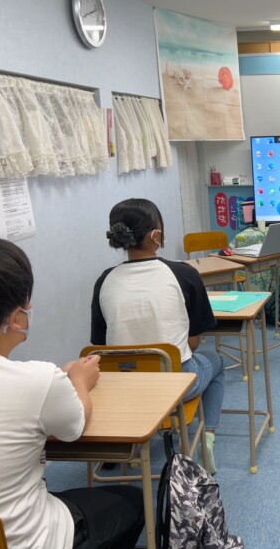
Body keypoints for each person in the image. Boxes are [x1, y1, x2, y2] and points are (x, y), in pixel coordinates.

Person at [0, 235, 145, 549]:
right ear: (15, 319)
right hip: (25, 547)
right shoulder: (39, 380)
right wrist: (78, 380)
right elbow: (73, 427)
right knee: (132, 500)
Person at [91, 198, 223, 473]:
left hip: (121, 388)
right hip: (173, 386)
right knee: (216, 362)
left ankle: (118, 444)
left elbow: (101, 346)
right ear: (157, 236)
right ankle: (207, 436)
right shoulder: (184, 274)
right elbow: (193, 342)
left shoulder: (104, 280)